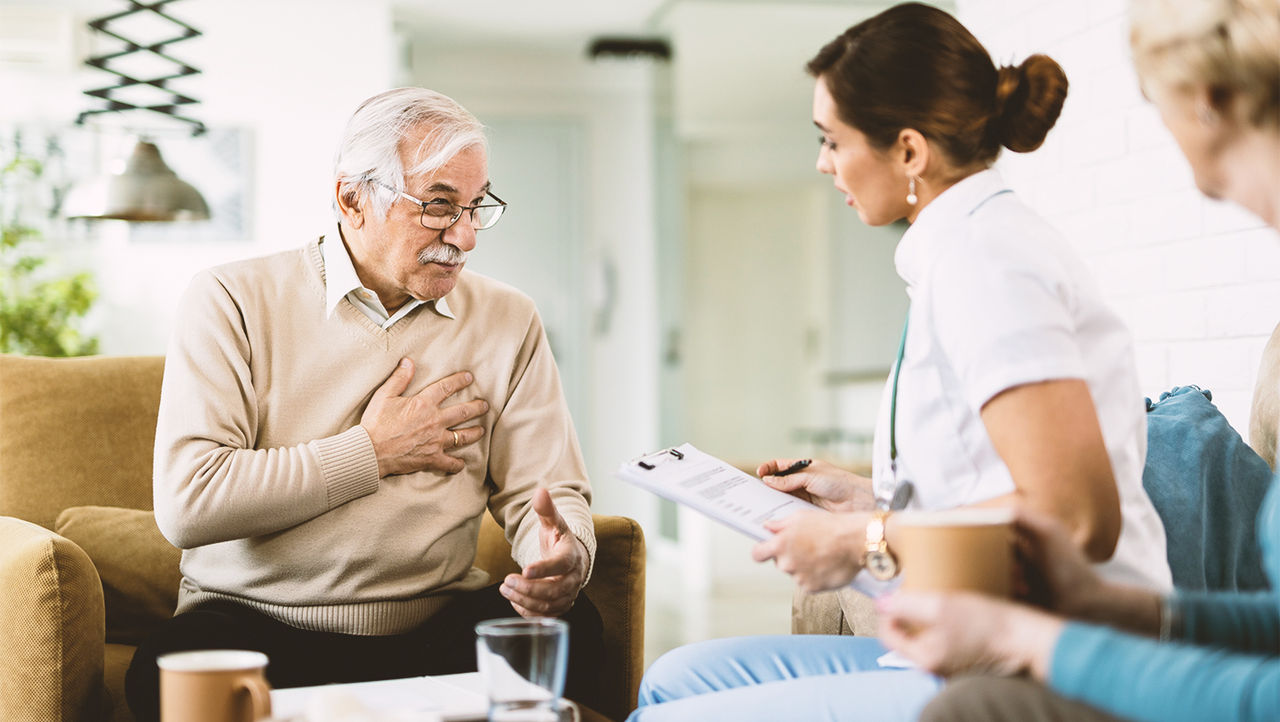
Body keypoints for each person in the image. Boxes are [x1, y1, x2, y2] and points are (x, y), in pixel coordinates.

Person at [630, 3, 1170, 720]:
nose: (823, 162)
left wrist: (862, 539)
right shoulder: (959, 253)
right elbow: (992, 480)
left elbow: (1074, 516)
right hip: (985, 636)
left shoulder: (987, 264)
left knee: (666, 715)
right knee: (674, 678)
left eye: (832, 140)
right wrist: (866, 501)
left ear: (910, 151)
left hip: (1057, 662)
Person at [125, 87, 605, 721]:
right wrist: (373, 452)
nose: (465, 235)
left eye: (475, 206)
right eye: (439, 205)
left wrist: (562, 553)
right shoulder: (229, 299)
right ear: (351, 198)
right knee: (164, 671)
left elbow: (547, 491)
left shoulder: (509, 318)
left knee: (578, 628)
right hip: (260, 626)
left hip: (433, 628)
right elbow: (189, 504)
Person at [879, 1, 1280, 720]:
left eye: (1156, 106)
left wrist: (1037, 641)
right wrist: (1106, 605)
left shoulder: (987, 254)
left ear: (1209, 102)